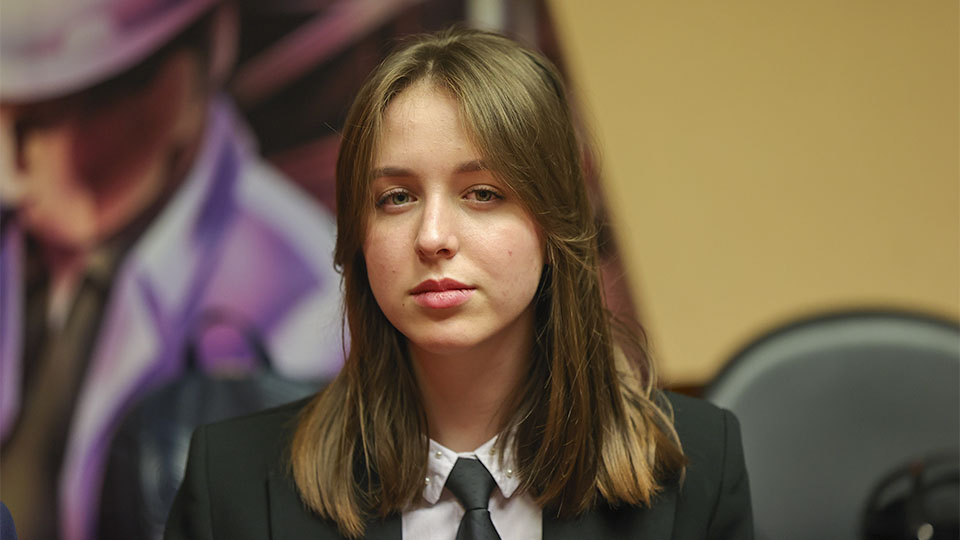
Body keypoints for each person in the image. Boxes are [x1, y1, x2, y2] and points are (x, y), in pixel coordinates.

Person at [165, 27, 754, 539]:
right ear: (358, 239)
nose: (432, 237)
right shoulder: (232, 482)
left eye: (483, 194)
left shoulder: (697, 466)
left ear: (555, 223)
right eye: (397, 198)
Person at [0, 1, 343, 539]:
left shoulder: (304, 301)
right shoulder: (27, 242)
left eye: (48, 119)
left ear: (199, 64)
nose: (10, 170)